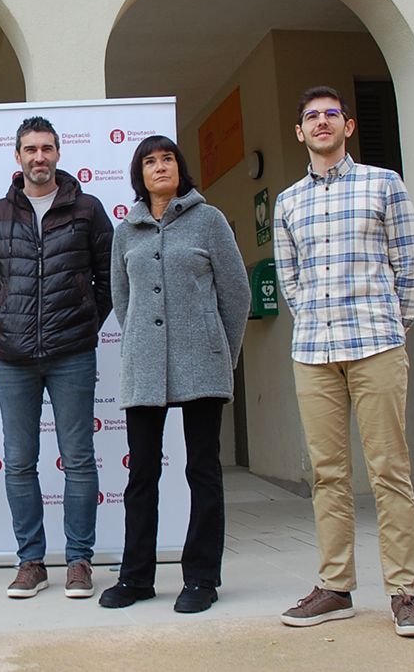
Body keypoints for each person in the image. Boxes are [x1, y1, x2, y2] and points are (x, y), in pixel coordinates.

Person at [274, 85, 414, 637]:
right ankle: (336, 587)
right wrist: (314, 317)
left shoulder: (383, 184)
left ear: (348, 126)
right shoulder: (288, 201)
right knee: (328, 474)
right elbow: (288, 277)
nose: (321, 122)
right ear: (300, 132)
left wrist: (395, 323)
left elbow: (411, 263)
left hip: (376, 345)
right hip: (315, 352)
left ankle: (404, 592)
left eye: (330, 115)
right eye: (311, 116)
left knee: (390, 469)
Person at [98, 135, 250, 613]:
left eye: (167, 159)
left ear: (181, 169)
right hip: (144, 366)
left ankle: (202, 578)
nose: (160, 167)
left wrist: (220, 352)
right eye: (150, 161)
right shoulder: (127, 231)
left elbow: (236, 294)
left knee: (203, 470)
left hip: (201, 360)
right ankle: (136, 577)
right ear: (138, 174)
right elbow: (122, 300)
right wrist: (146, 339)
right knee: (141, 474)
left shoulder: (210, 221)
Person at [0, 115, 113, 599]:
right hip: (13, 357)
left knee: (77, 459)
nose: (39, 157)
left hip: (72, 352)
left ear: (58, 154)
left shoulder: (88, 209)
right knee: (19, 461)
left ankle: (79, 562)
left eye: (47, 149)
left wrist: (83, 322)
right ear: (17, 156)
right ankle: (31, 561)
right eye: (30, 149)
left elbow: (108, 278)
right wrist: (8, 316)